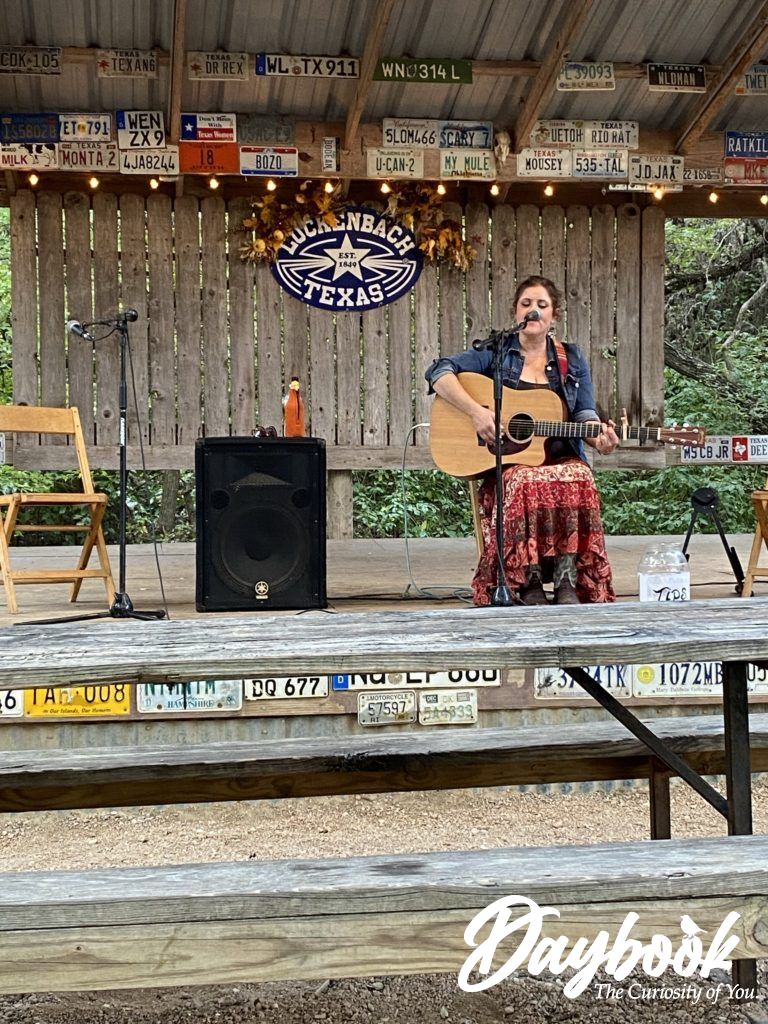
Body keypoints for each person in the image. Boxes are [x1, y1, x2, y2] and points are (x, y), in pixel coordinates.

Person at [425, 275, 618, 606]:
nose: (534, 311)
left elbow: (584, 412)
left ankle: (566, 579)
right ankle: (526, 580)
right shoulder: (497, 352)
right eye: (526, 304)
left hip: (560, 458)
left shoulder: (571, 359)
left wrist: (598, 436)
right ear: (516, 313)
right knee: (525, 478)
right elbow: (438, 372)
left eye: (542, 305)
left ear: (554, 316)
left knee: (579, 476)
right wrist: (476, 412)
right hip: (510, 464)